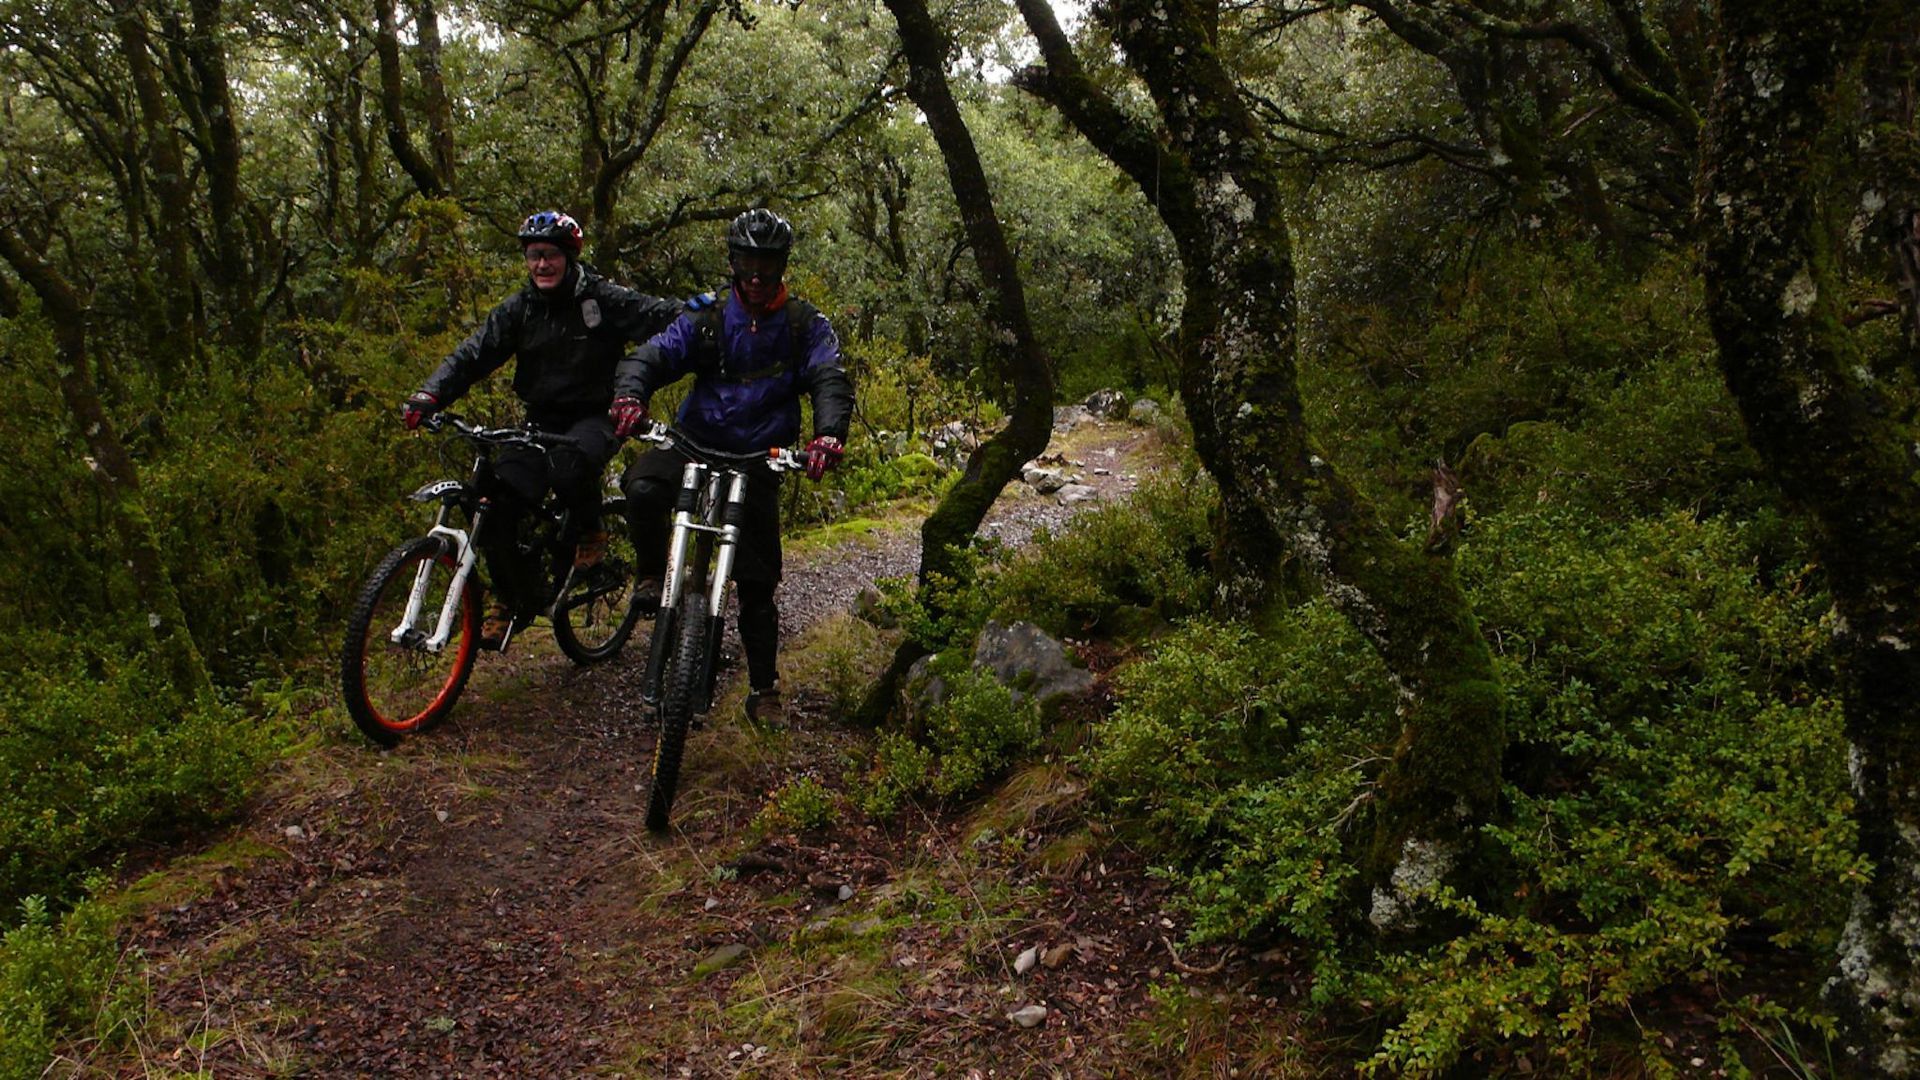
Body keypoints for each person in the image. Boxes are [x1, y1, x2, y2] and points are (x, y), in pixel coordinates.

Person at [610, 208, 854, 724]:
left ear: (782, 263)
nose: (757, 275)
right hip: (695, 440)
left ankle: (763, 690)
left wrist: (828, 434)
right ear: (733, 262)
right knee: (644, 487)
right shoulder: (709, 315)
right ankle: (653, 574)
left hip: (760, 456)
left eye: (767, 262)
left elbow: (829, 376)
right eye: (747, 261)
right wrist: (631, 396)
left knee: (758, 579)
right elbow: (653, 355)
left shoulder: (805, 324)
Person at [402, 210, 682, 648]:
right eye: (534, 256)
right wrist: (429, 395)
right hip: (540, 419)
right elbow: (473, 355)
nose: (541, 265)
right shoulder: (520, 309)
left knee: (570, 466)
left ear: (569, 257)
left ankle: (592, 530)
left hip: (597, 415)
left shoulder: (601, 299)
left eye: (550, 255)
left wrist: (711, 313)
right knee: (493, 501)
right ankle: (511, 597)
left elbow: (661, 316)